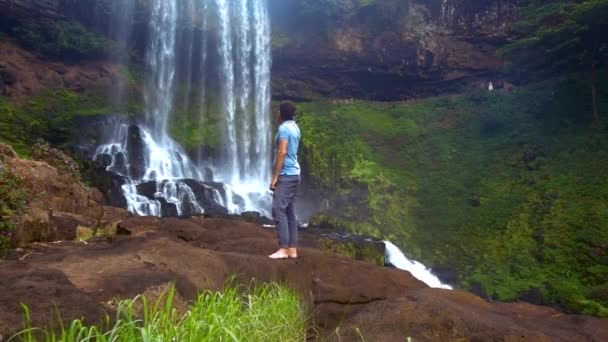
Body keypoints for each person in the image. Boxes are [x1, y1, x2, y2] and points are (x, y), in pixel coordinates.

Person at [269, 101, 301, 259]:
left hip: (286, 174)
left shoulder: (283, 129)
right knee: (289, 210)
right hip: (295, 173)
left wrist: (275, 176)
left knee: (278, 209)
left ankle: (283, 248)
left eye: (278, 111)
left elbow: (282, 151)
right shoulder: (295, 127)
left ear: (281, 113)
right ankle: (292, 249)